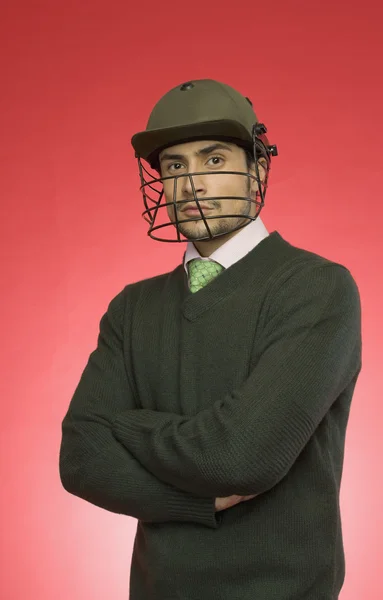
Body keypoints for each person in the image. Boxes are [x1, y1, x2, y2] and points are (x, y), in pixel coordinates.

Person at [59, 79, 362, 599]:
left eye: (214, 160)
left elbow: (242, 457)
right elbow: (81, 459)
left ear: (258, 168)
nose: (191, 183)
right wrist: (197, 502)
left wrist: (126, 426)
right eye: (175, 167)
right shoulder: (133, 307)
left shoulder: (316, 287)